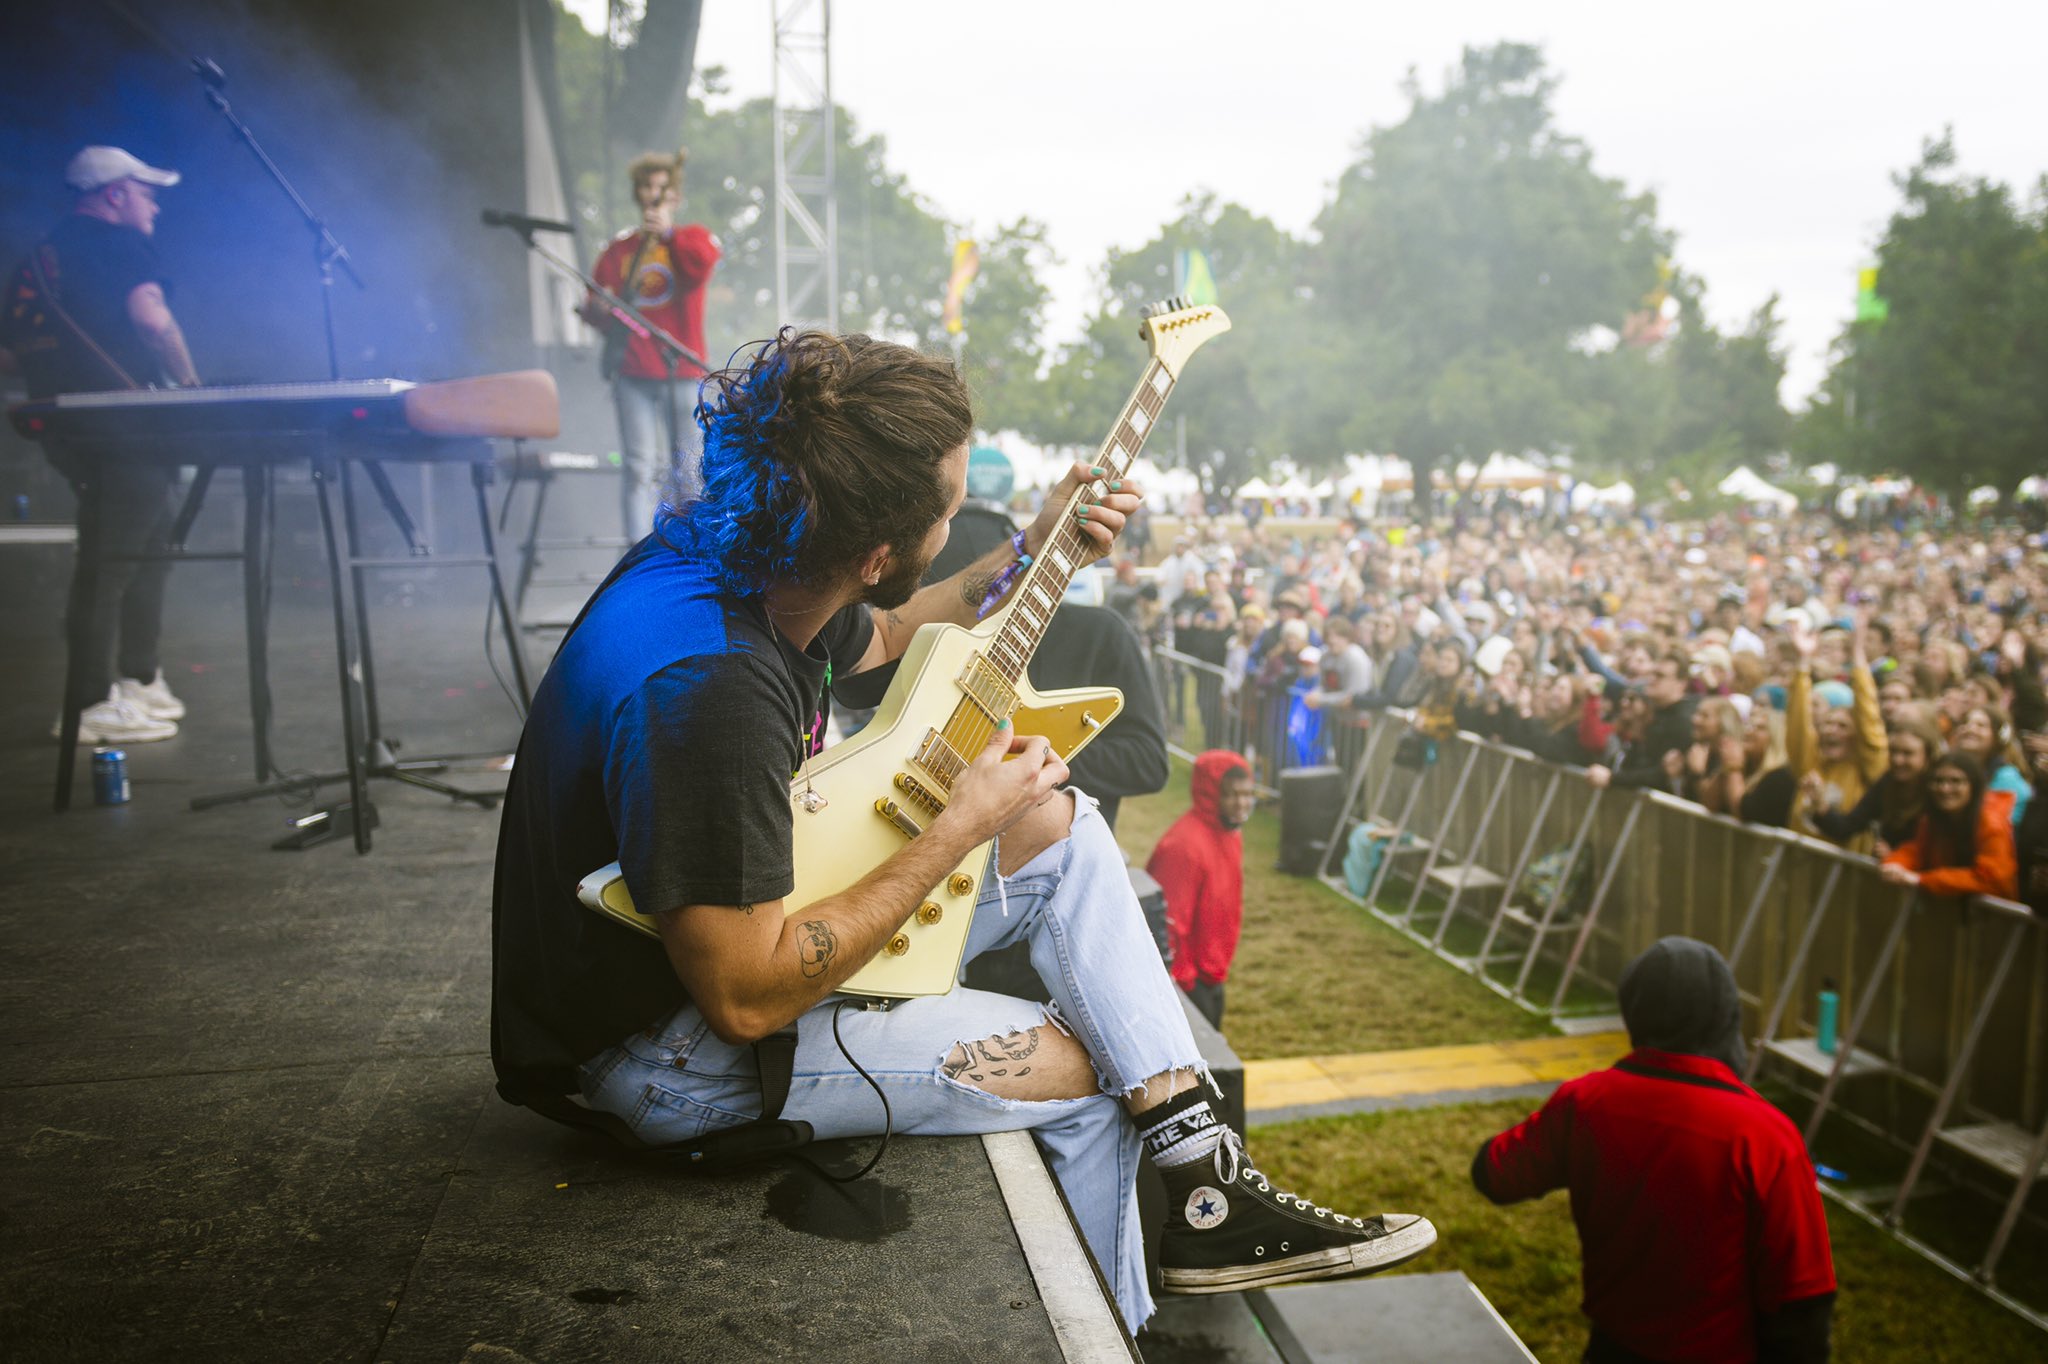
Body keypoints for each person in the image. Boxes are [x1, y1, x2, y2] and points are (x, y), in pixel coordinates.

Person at [489, 330, 1435, 1333]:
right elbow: (743, 993)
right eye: (949, 510)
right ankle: (1108, 1332)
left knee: (1059, 823)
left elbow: (893, 633)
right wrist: (953, 828)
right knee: (1080, 1072)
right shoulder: (711, 692)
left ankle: (1202, 1180)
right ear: (874, 552)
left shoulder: (751, 554)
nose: (958, 519)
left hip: (706, 957)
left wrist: (1033, 545)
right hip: (656, 1052)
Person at [1472, 937, 1837, 1364]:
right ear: (1724, 1016)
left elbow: (1492, 1175)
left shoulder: (1584, 1103)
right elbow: (1804, 1304)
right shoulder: (1765, 1136)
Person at [10, 148, 199, 744]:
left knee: (149, 545)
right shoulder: (119, 244)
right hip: (127, 427)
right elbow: (153, 319)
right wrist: (190, 386)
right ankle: (89, 705)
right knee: (111, 562)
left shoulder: (39, 259)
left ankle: (139, 680)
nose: (155, 205)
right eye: (147, 192)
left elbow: (12, 352)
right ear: (114, 194)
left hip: (70, 428)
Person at [581, 149, 720, 541]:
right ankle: (636, 553)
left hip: (682, 371)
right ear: (638, 193)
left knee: (688, 469)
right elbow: (599, 311)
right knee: (639, 467)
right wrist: (595, 308)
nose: (654, 194)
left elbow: (698, 268)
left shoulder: (693, 239)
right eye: (647, 187)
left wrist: (669, 235)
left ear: (674, 196)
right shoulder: (619, 250)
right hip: (633, 373)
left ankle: (687, 550)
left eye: (662, 187)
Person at [1147, 751, 1256, 1028]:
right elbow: (1168, 923)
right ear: (1211, 794)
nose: (1242, 803)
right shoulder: (1185, 847)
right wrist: (1185, 984)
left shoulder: (1228, 833)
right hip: (1188, 984)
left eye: (1248, 794)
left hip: (1210, 973)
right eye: (1232, 794)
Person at [1880, 754, 2019, 901]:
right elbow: (1919, 850)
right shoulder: (1933, 818)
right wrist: (1895, 864)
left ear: (1973, 785)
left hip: (1990, 918)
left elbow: (1992, 879)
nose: (1945, 789)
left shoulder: (1991, 823)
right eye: (1938, 781)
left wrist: (1922, 880)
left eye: (1956, 781)